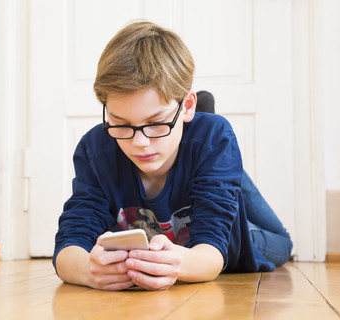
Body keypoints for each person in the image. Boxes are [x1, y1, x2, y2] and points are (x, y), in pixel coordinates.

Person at [53, 20, 292, 291]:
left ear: (186, 106)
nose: (140, 143)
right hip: (199, 154)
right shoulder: (95, 148)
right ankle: (208, 161)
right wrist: (86, 270)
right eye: (121, 123)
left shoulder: (215, 137)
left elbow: (212, 252)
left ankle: (219, 167)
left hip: (233, 236)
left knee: (283, 244)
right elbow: (69, 243)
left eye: (156, 123)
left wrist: (182, 264)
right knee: (206, 151)